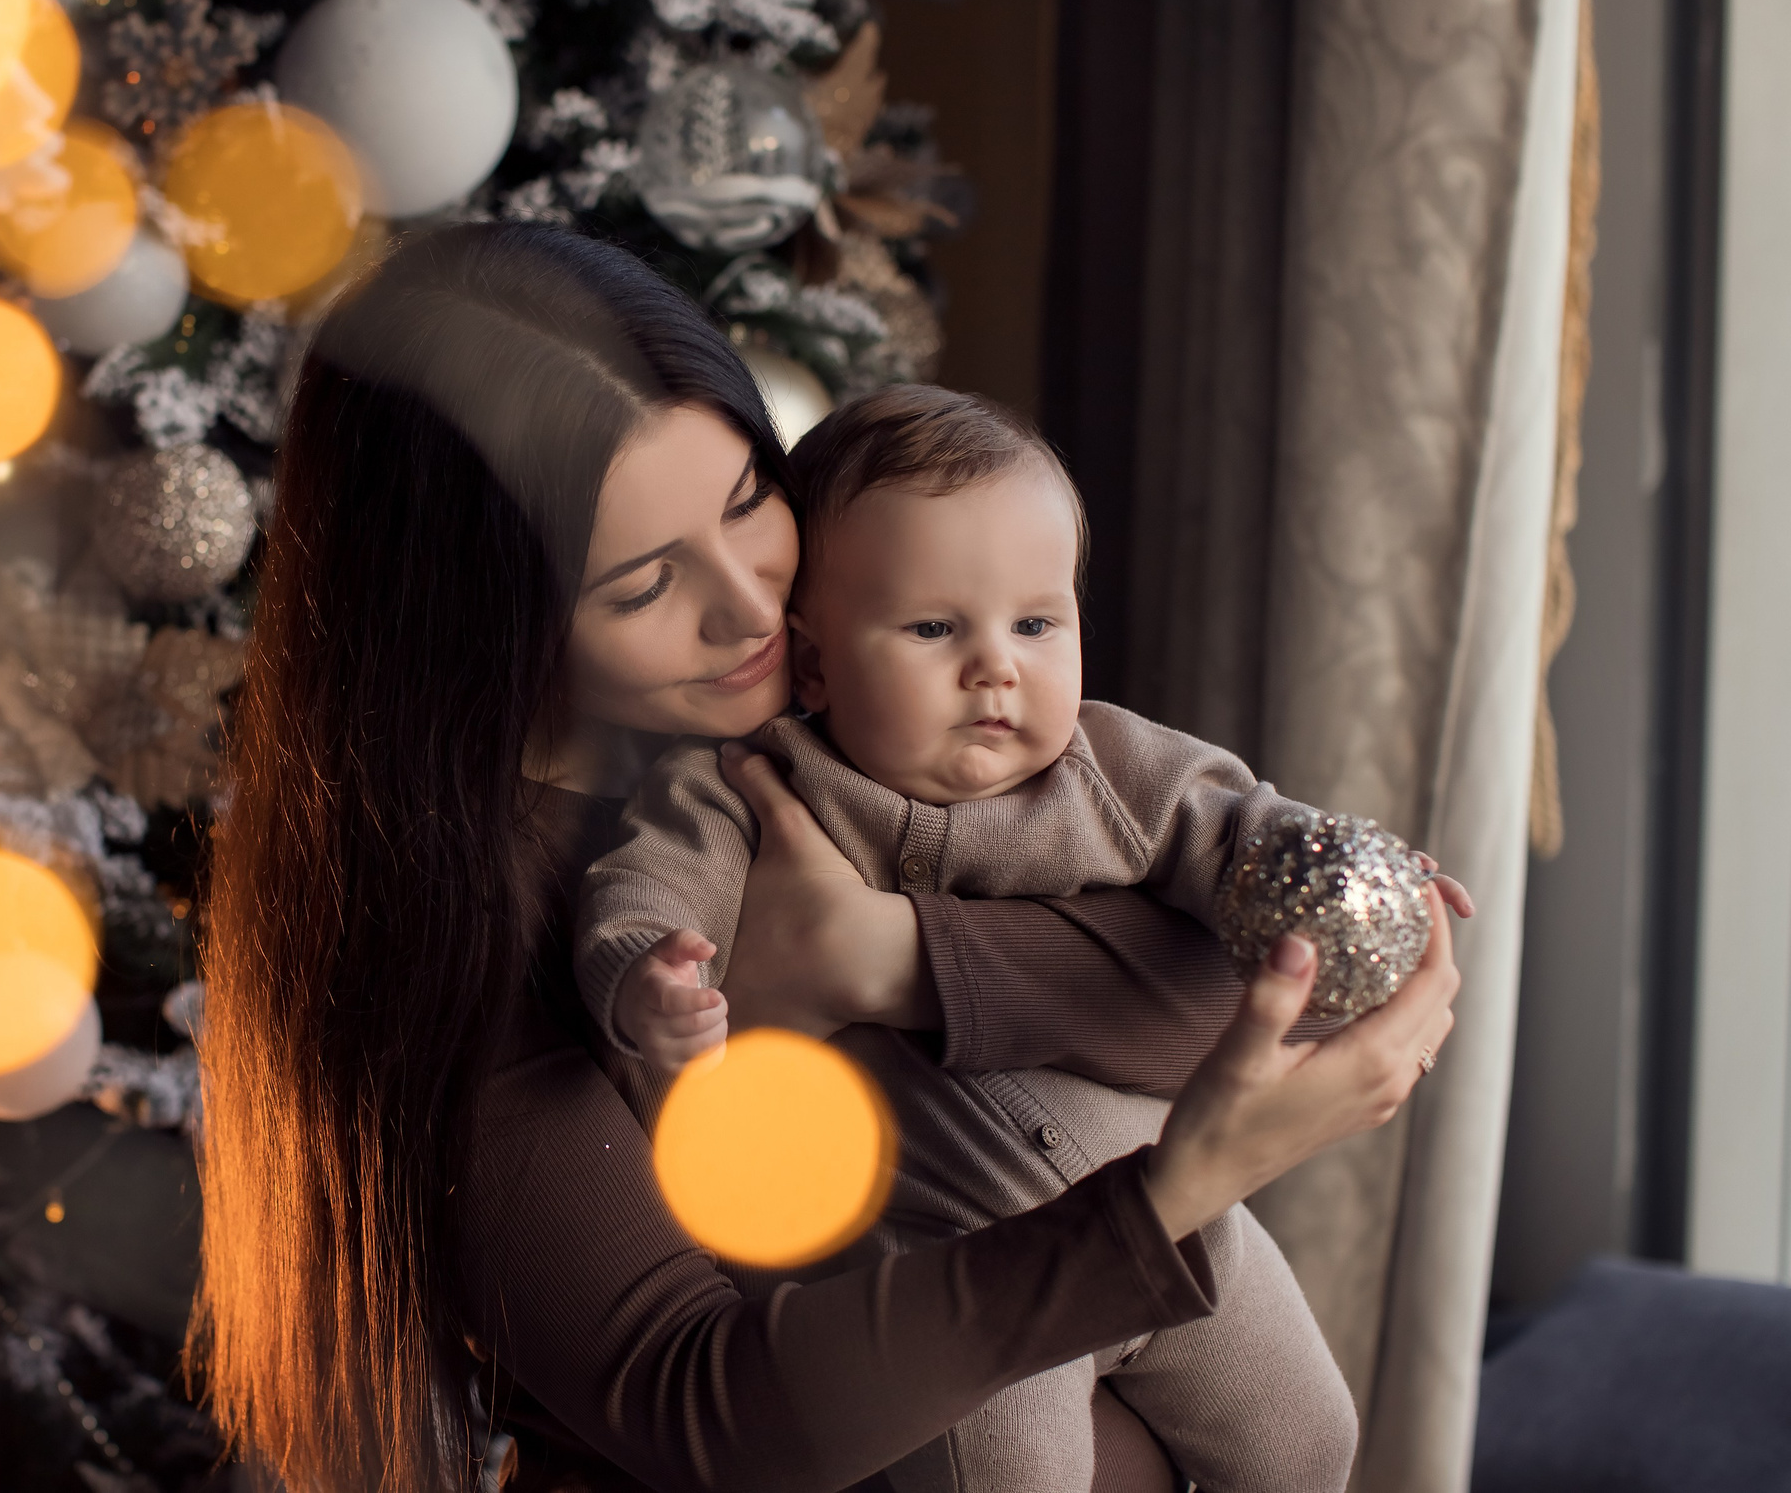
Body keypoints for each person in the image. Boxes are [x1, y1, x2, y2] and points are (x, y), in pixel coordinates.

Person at [194, 223, 1460, 1493]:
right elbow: (708, 1406)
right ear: (488, 623)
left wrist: (884, 962)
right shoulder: (460, 927)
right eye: (642, 585)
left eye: (750, 502)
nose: (751, 609)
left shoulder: (856, 721)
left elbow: (1214, 987)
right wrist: (1175, 1189)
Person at [572, 385, 1476, 1492]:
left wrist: (1357, 877)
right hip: (961, 1264)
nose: (995, 666)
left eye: (1036, 624)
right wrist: (646, 978)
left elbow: (1246, 834)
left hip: (1178, 1211)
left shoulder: (1114, 771)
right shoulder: (754, 785)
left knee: (1306, 1442)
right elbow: (648, 885)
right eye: (932, 628)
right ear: (813, 665)